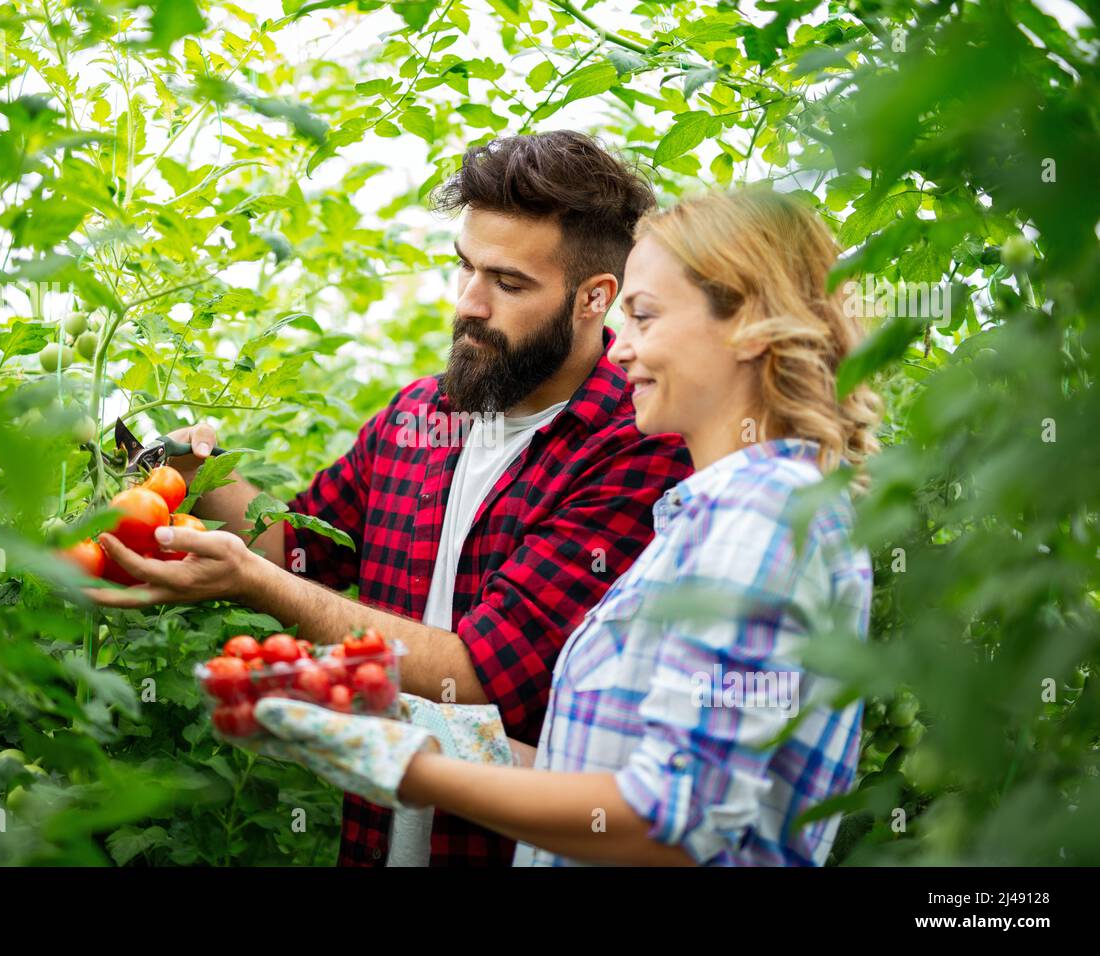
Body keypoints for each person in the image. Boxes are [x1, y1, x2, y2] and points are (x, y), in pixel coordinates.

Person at [85, 131, 693, 866]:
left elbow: (479, 673)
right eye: (464, 267)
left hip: (508, 847)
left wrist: (256, 583)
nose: (468, 304)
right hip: (380, 839)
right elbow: (301, 555)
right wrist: (186, 467)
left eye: (507, 283)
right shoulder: (421, 416)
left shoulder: (635, 446)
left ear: (597, 297)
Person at [248, 187, 882, 866]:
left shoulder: (755, 519)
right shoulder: (733, 510)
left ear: (747, 325)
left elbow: (669, 823)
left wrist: (409, 770)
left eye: (642, 316)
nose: (619, 350)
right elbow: (601, 769)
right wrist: (405, 729)